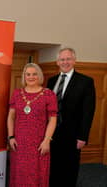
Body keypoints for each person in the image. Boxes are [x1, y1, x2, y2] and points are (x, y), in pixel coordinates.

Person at [47, 48, 96, 187]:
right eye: (62, 59)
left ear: (74, 61)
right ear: (57, 62)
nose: (65, 62)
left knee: (70, 168)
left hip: (73, 135)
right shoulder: (51, 81)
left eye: (68, 59)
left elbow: (88, 111)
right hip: (52, 133)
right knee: (53, 166)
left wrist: (83, 136)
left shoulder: (85, 81)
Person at [7, 63, 57, 187]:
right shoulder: (17, 93)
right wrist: (11, 137)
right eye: (28, 74)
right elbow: (11, 117)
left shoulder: (48, 94)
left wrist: (47, 141)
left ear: (39, 75)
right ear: (24, 76)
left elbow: (53, 119)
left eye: (34, 74)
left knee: (37, 175)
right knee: (19, 174)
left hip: (38, 143)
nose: (31, 77)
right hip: (19, 143)